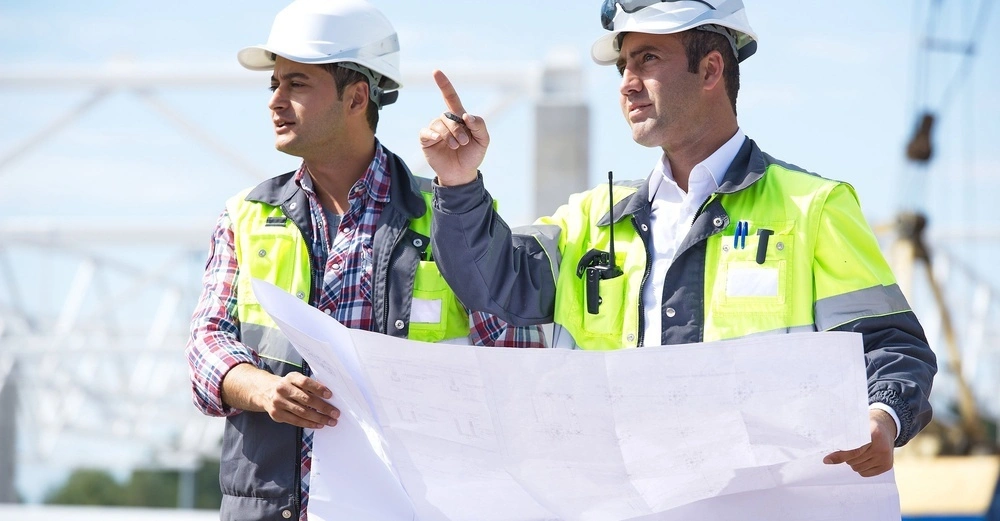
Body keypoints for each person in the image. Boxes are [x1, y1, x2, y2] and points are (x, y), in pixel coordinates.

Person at [420, 0, 937, 479]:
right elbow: (488, 281)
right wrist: (459, 184)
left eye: (647, 59)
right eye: (623, 64)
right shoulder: (588, 218)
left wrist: (883, 416)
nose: (626, 83)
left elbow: (890, 345)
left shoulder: (813, 208)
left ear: (711, 69)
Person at [185, 1, 544, 519]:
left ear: (356, 97)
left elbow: (515, 368)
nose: (276, 102)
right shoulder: (244, 216)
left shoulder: (449, 216)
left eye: (297, 84)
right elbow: (205, 346)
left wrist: (460, 187)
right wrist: (264, 390)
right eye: (274, 85)